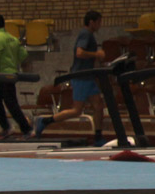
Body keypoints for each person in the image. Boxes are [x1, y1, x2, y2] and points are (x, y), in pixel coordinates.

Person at [31, 10, 105, 143]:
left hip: (88, 77)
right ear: (91, 22)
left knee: (99, 106)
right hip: (81, 77)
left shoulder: (90, 36)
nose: (100, 25)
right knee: (76, 110)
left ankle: (98, 137)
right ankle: (45, 121)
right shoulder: (85, 34)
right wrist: (96, 54)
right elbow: (79, 53)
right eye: (99, 22)